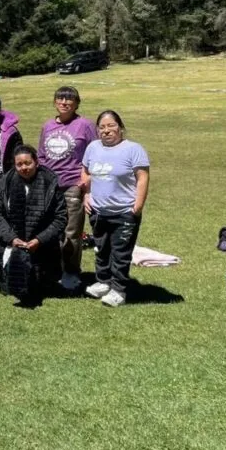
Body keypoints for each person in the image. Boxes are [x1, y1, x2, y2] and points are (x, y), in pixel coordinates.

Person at [81, 110, 150, 308]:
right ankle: (103, 282)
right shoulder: (93, 148)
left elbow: (142, 177)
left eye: (111, 126)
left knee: (120, 253)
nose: (106, 130)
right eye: (102, 127)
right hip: (98, 211)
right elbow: (85, 171)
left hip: (124, 212)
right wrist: (87, 195)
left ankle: (119, 289)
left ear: (120, 127)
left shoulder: (133, 149)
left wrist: (137, 205)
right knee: (101, 249)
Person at [0, 146, 67, 305]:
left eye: (28, 163)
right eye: (19, 164)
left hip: (41, 244)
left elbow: (61, 217)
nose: (24, 168)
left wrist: (40, 240)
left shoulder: (50, 183)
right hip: (12, 242)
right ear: (14, 165)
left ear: (36, 162)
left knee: (39, 286)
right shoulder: (6, 181)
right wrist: (11, 238)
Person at [38, 86, 97, 292]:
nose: (64, 102)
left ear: (77, 103)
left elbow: (95, 153)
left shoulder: (85, 125)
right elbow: (41, 156)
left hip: (73, 185)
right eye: (60, 99)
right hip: (49, 187)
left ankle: (71, 272)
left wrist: (86, 181)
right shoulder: (47, 126)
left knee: (72, 232)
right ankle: (53, 269)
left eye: (69, 99)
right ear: (55, 102)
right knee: (51, 231)